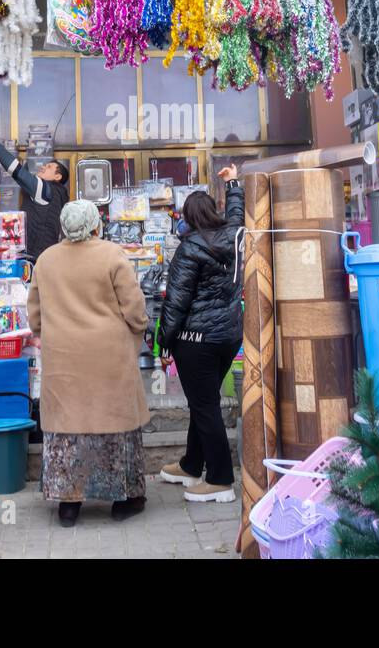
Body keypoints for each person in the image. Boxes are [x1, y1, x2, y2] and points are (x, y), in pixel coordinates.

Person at [27, 199, 151, 527]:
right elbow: (134, 308)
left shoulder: (46, 260)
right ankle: (126, 499)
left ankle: (69, 504)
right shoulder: (112, 255)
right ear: (95, 224)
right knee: (116, 429)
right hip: (109, 356)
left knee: (68, 429)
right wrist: (138, 330)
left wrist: (48, 333)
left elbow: (35, 315)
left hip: (64, 357)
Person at [159, 165, 244, 503]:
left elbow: (175, 302)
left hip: (197, 340)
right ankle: (192, 464)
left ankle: (221, 479)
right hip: (228, 336)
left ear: (188, 218)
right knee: (202, 401)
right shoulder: (235, 234)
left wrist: (164, 342)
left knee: (205, 405)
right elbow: (236, 211)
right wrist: (233, 182)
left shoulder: (189, 248)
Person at [0, 124, 69, 261]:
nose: (43, 166)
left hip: (35, 258)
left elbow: (16, 171)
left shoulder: (45, 190)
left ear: (57, 177)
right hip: (44, 257)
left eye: (49, 167)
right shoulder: (55, 195)